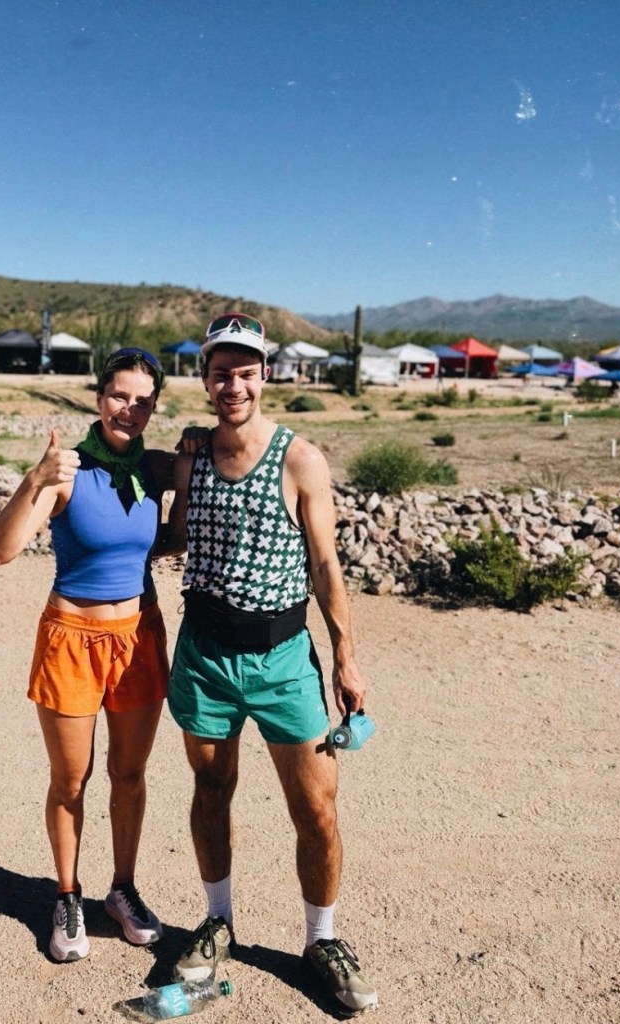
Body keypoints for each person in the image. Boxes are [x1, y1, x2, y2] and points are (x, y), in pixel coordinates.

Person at [165, 313, 379, 1014]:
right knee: (211, 789)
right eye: (221, 373)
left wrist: (345, 657)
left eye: (246, 372)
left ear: (264, 377)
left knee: (316, 806)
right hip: (205, 654)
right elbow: (174, 536)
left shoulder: (300, 460)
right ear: (205, 380)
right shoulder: (193, 456)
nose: (234, 385)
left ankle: (322, 939)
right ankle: (218, 922)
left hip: (284, 658)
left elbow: (325, 564)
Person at [0, 348, 183, 964]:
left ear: (154, 407)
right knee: (71, 779)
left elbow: (174, 529)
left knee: (130, 775)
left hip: (139, 637)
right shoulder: (66, 469)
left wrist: (198, 447)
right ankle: (67, 895)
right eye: (120, 395)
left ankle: (122, 890)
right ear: (99, 397)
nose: (130, 409)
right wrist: (35, 479)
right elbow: (1, 551)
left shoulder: (156, 466)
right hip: (72, 638)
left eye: (143, 400)